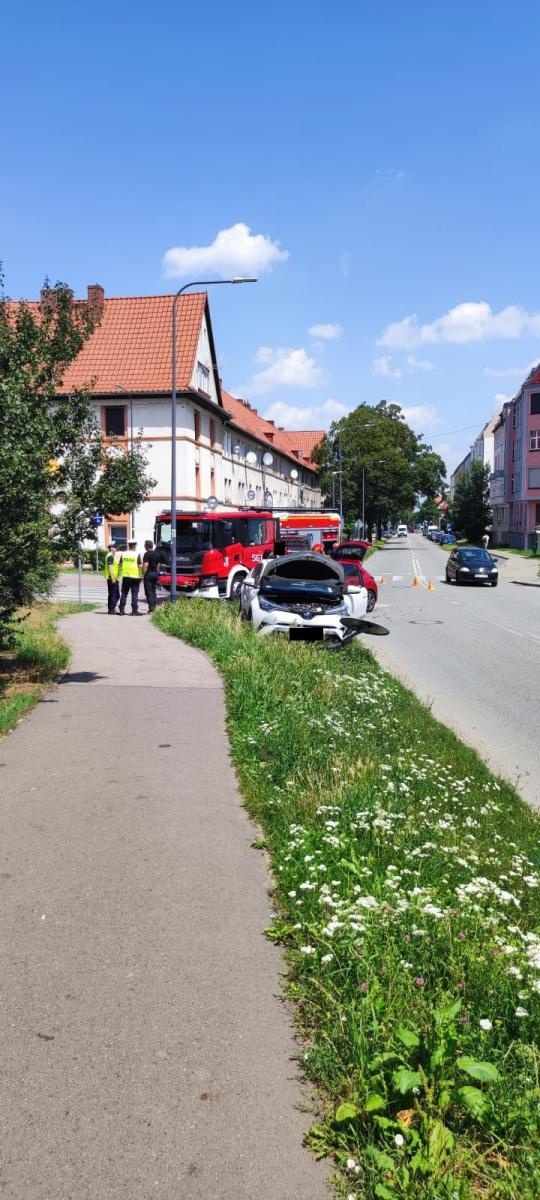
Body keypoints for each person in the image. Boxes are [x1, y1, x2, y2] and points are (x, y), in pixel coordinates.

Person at [118, 540, 142, 614]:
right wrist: (141, 575)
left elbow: (120, 564)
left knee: (124, 593)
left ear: (129, 545)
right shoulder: (137, 554)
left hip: (126, 576)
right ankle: (134, 611)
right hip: (135, 577)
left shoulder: (123, 554)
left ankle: (121, 610)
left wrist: (120, 573)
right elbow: (140, 566)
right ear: (134, 546)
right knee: (134, 594)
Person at [142, 539, 164, 612]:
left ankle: (151, 609)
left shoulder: (147, 554)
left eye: (145, 545)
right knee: (154, 591)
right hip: (155, 574)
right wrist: (157, 572)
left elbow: (145, 565)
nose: (144, 547)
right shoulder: (157, 554)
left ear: (147, 546)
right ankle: (154, 607)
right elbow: (159, 564)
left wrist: (143, 575)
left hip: (149, 574)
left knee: (149, 592)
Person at [104, 541, 120, 614]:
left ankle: (110, 608)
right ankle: (112, 609)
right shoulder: (110, 556)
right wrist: (113, 578)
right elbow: (110, 568)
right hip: (111, 578)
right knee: (115, 594)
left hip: (113, 578)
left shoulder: (111, 556)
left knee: (112, 594)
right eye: (114, 547)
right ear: (112, 548)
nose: (116, 549)